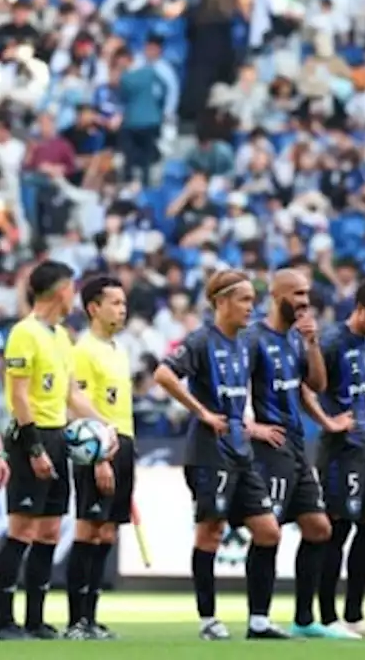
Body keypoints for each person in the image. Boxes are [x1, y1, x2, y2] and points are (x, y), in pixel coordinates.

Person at [153, 269, 286, 640]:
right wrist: (202, 413)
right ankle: (208, 619)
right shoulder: (199, 341)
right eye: (244, 299)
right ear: (221, 301)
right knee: (210, 532)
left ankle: (259, 620)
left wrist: (250, 426)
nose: (251, 306)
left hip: (240, 450)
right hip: (208, 452)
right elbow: (163, 374)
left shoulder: (245, 342)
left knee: (268, 531)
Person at [0, 260, 103, 640]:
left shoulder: (61, 335)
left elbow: (72, 393)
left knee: (49, 530)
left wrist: (106, 427)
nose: (74, 293)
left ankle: (35, 619)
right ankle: (2, 619)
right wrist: (34, 447)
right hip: (31, 436)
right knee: (22, 528)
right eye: (72, 287)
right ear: (61, 290)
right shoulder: (23, 333)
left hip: (59, 435)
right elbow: (19, 396)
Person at [241, 269, 343, 638]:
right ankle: (258, 620)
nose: (304, 300)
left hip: (297, 447)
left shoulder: (297, 339)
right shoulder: (253, 339)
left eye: (307, 293)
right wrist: (250, 427)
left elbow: (315, 385)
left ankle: (303, 620)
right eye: (297, 293)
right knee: (268, 533)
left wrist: (313, 344)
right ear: (277, 294)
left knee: (319, 528)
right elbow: (233, 389)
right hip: (269, 450)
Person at [302, 275, 365, 639]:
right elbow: (304, 386)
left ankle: (355, 614)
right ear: (362, 309)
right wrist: (328, 421)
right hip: (341, 451)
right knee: (337, 528)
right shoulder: (331, 342)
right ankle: (327, 618)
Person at [65, 276, 135, 640]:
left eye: (124, 303)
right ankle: (76, 620)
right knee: (88, 529)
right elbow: (78, 407)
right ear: (94, 307)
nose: (122, 309)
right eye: (115, 303)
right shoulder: (83, 350)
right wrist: (99, 457)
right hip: (98, 447)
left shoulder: (118, 349)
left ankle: (91, 618)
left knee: (107, 531)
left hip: (124, 442)